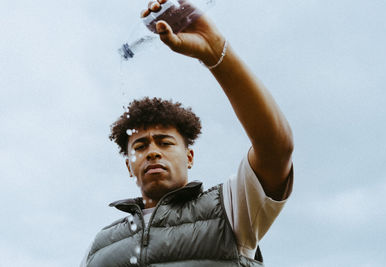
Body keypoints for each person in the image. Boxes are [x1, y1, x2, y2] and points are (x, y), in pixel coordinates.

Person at [81, 0, 294, 266]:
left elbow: (276, 149)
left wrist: (215, 52)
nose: (153, 152)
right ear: (128, 165)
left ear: (190, 156)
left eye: (165, 142)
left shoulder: (229, 209)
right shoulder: (101, 246)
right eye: (140, 146)